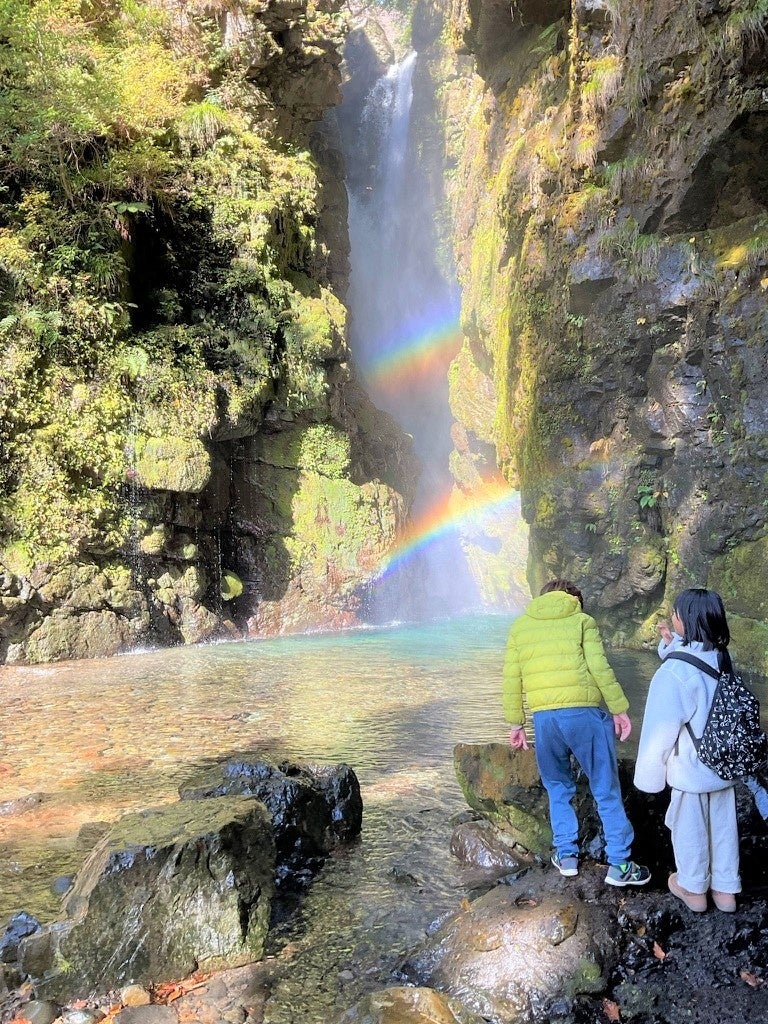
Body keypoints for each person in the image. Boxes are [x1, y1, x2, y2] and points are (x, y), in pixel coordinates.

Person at [503, 579, 650, 886]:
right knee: (605, 787)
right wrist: (619, 709)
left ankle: (567, 856)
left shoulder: (520, 627)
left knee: (558, 788)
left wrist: (516, 723)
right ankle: (620, 865)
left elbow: (512, 678)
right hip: (584, 714)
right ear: (575, 600)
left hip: (544, 720)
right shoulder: (582, 621)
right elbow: (599, 666)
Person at [634, 588, 740, 913]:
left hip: (692, 772)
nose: (672, 617)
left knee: (690, 828)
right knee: (723, 828)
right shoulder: (722, 658)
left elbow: (658, 731)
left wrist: (649, 779)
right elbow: (692, 659)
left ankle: (693, 889)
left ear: (688, 620)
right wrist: (669, 642)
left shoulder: (672, 675)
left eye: (677, 613)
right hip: (723, 767)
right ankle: (726, 892)